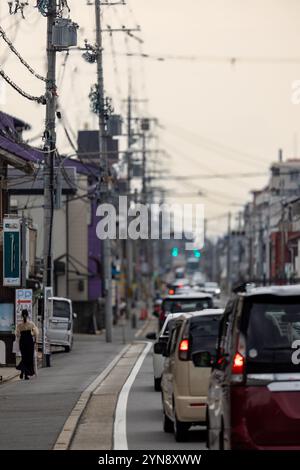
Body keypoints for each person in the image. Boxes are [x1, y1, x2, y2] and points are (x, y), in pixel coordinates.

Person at [16, 309, 38, 380]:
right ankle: (26, 375)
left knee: (24, 357)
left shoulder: (19, 325)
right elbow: (36, 333)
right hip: (29, 342)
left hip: (22, 342)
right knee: (29, 358)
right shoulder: (31, 324)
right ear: (27, 315)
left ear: (22, 315)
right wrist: (35, 341)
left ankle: (22, 372)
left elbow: (17, 334)